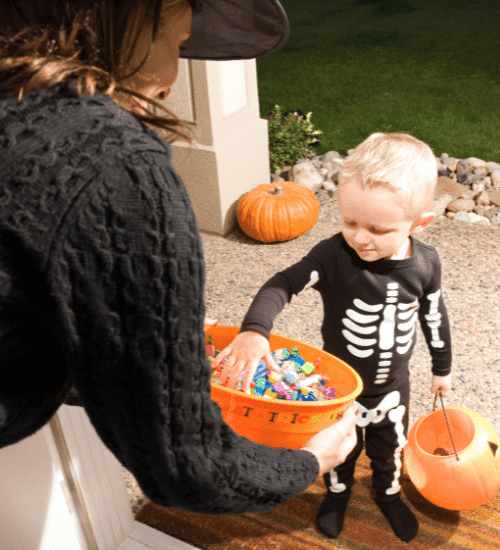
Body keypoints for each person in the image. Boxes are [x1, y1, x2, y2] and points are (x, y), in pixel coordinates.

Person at [0, 0, 358, 515]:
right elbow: (188, 467)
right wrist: (306, 460)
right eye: (177, 43)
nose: (171, 80)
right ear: (128, 19)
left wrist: (140, 340)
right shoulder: (116, 171)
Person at [214, 132, 453, 540]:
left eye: (378, 228)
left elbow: (434, 315)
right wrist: (255, 331)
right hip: (339, 387)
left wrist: (442, 368)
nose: (360, 237)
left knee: (389, 446)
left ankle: (388, 493)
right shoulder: (333, 256)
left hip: (395, 386)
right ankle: (337, 493)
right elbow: (281, 284)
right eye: (349, 221)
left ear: (420, 223)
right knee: (337, 447)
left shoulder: (426, 264)